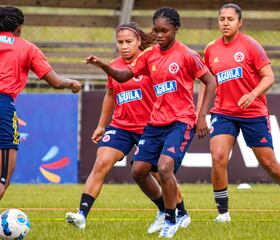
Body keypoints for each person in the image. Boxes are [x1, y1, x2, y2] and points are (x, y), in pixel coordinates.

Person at [85, 7, 216, 238]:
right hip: (156, 123)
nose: (159, 34)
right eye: (155, 30)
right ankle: (166, 214)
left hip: (181, 121)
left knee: (165, 168)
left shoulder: (186, 55)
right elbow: (124, 76)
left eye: (164, 30)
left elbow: (210, 81)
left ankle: (172, 220)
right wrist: (104, 66)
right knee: (139, 171)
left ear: (175, 29)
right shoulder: (150, 55)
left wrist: (202, 115)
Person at [65, 22, 190, 232]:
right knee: (101, 162)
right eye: (120, 42)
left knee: (161, 173)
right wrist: (101, 125)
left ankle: (181, 212)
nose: (124, 46)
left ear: (139, 41)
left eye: (128, 42)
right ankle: (81, 215)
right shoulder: (115, 65)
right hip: (121, 126)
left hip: (150, 127)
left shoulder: (151, 61)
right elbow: (111, 94)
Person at [198, 3, 280, 223]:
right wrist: (199, 113)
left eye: (230, 19)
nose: (225, 23)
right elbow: (206, 81)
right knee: (218, 157)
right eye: (222, 19)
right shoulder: (211, 48)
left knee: (269, 163)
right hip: (223, 112)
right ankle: (223, 214)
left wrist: (252, 94)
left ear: (240, 22)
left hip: (253, 112)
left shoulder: (251, 46)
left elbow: (269, 76)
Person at [0, 6, 81, 200]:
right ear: (19, 27)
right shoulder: (26, 47)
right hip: (2, 106)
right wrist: (72, 82)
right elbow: (55, 81)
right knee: (2, 179)